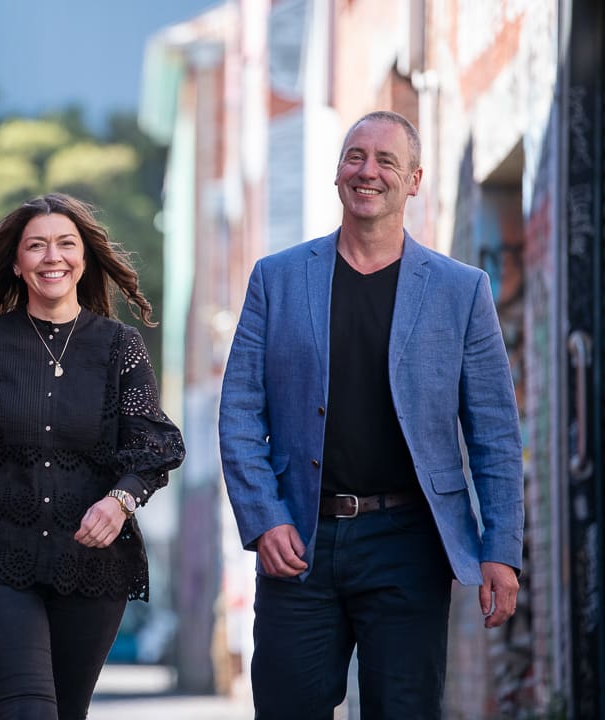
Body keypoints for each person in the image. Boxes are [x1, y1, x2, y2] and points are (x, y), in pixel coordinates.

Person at [218, 110, 523, 718]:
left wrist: (502, 549)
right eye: (356, 156)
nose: (368, 171)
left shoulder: (461, 291)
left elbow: (494, 431)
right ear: (337, 174)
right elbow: (240, 413)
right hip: (299, 540)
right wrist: (263, 517)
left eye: (387, 161)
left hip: (410, 542)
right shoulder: (276, 279)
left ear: (413, 181)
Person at [0, 193, 185, 719]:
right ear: (17, 263)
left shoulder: (119, 347)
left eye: (65, 244)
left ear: (84, 258)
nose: (51, 256)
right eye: (36, 246)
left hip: (91, 568)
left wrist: (120, 501)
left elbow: (154, 443)